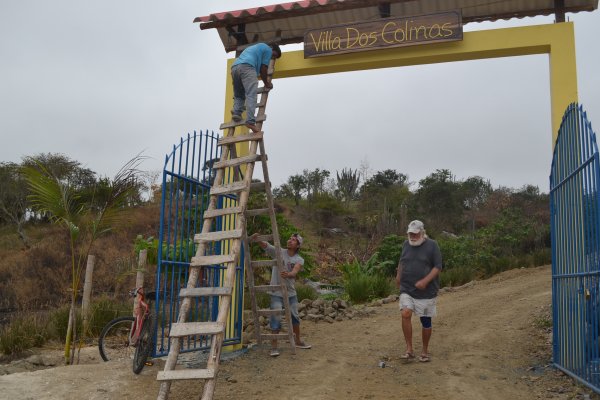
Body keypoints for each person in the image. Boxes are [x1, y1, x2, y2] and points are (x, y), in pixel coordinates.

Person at [249, 232, 311, 357]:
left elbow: (295, 271)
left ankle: (297, 340)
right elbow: (267, 246)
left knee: (295, 316)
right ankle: (274, 346)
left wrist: (289, 274)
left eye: (293, 240)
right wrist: (258, 239)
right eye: (290, 238)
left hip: (290, 292)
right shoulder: (278, 252)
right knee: (275, 316)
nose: (290, 240)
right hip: (276, 292)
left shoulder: (299, 259)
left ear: (297, 246)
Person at [395, 220, 442, 363]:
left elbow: (438, 267)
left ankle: (424, 351)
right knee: (405, 313)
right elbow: (402, 261)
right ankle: (409, 349)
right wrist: (398, 276)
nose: (412, 237)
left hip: (427, 291)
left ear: (422, 232)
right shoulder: (405, 244)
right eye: (410, 234)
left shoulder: (432, 245)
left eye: (415, 234)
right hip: (407, 288)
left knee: (425, 321)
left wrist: (425, 281)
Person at [231, 43, 282, 133]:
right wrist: (267, 83)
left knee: (239, 93)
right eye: (274, 55)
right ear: (272, 48)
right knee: (251, 94)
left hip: (235, 68)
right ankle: (250, 121)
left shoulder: (256, 48)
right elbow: (263, 68)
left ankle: (237, 113)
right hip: (247, 67)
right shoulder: (268, 49)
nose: (271, 58)